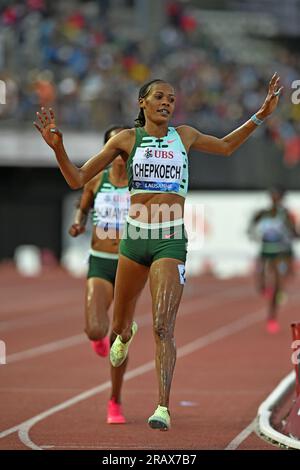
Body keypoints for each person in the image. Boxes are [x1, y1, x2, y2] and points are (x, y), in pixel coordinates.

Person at [34, 72, 282, 430]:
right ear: (142, 103)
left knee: (164, 326)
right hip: (133, 241)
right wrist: (57, 147)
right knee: (118, 327)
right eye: (160, 97)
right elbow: (76, 178)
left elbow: (226, 146)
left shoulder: (186, 136)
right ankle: (124, 332)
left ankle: (162, 406)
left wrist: (261, 114)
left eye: (171, 99)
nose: (167, 102)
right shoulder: (126, 139)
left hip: (169, 239)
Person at [69, 125, 131, 423]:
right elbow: (82, 209)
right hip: (101, 261)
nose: (120, 155)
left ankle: (114, 401)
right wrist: (79, 222)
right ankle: (98, 337)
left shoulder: (139, 182)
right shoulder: (96, 179)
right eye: (115, 149)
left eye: (124, 148)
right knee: (95, 329)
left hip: (130, 265)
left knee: (120, 338)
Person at [248, 185, 297, 334]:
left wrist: (292, 233)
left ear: (281, 198)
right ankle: (264, 288)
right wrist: (254, 233)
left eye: (277, 196)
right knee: (261, 283)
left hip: (279, 251)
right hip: (265, 250)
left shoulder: (285, 214)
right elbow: (251, 226)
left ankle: (272, 316)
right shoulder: (263, 213)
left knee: (278, 284)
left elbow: (293, 231)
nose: (275, 199)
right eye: (273, 196)